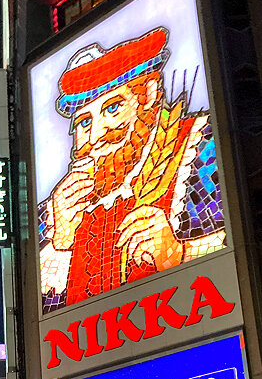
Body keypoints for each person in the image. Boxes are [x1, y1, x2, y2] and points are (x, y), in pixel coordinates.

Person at [37, 27, 225, 314]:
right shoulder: (54, 209)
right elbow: (30, 313)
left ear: (148, 94)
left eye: (112, 108)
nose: (96, 135)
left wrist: (179, 252)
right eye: (84, 123)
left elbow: (241, 239)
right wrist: (60, 243)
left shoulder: (202, 147)